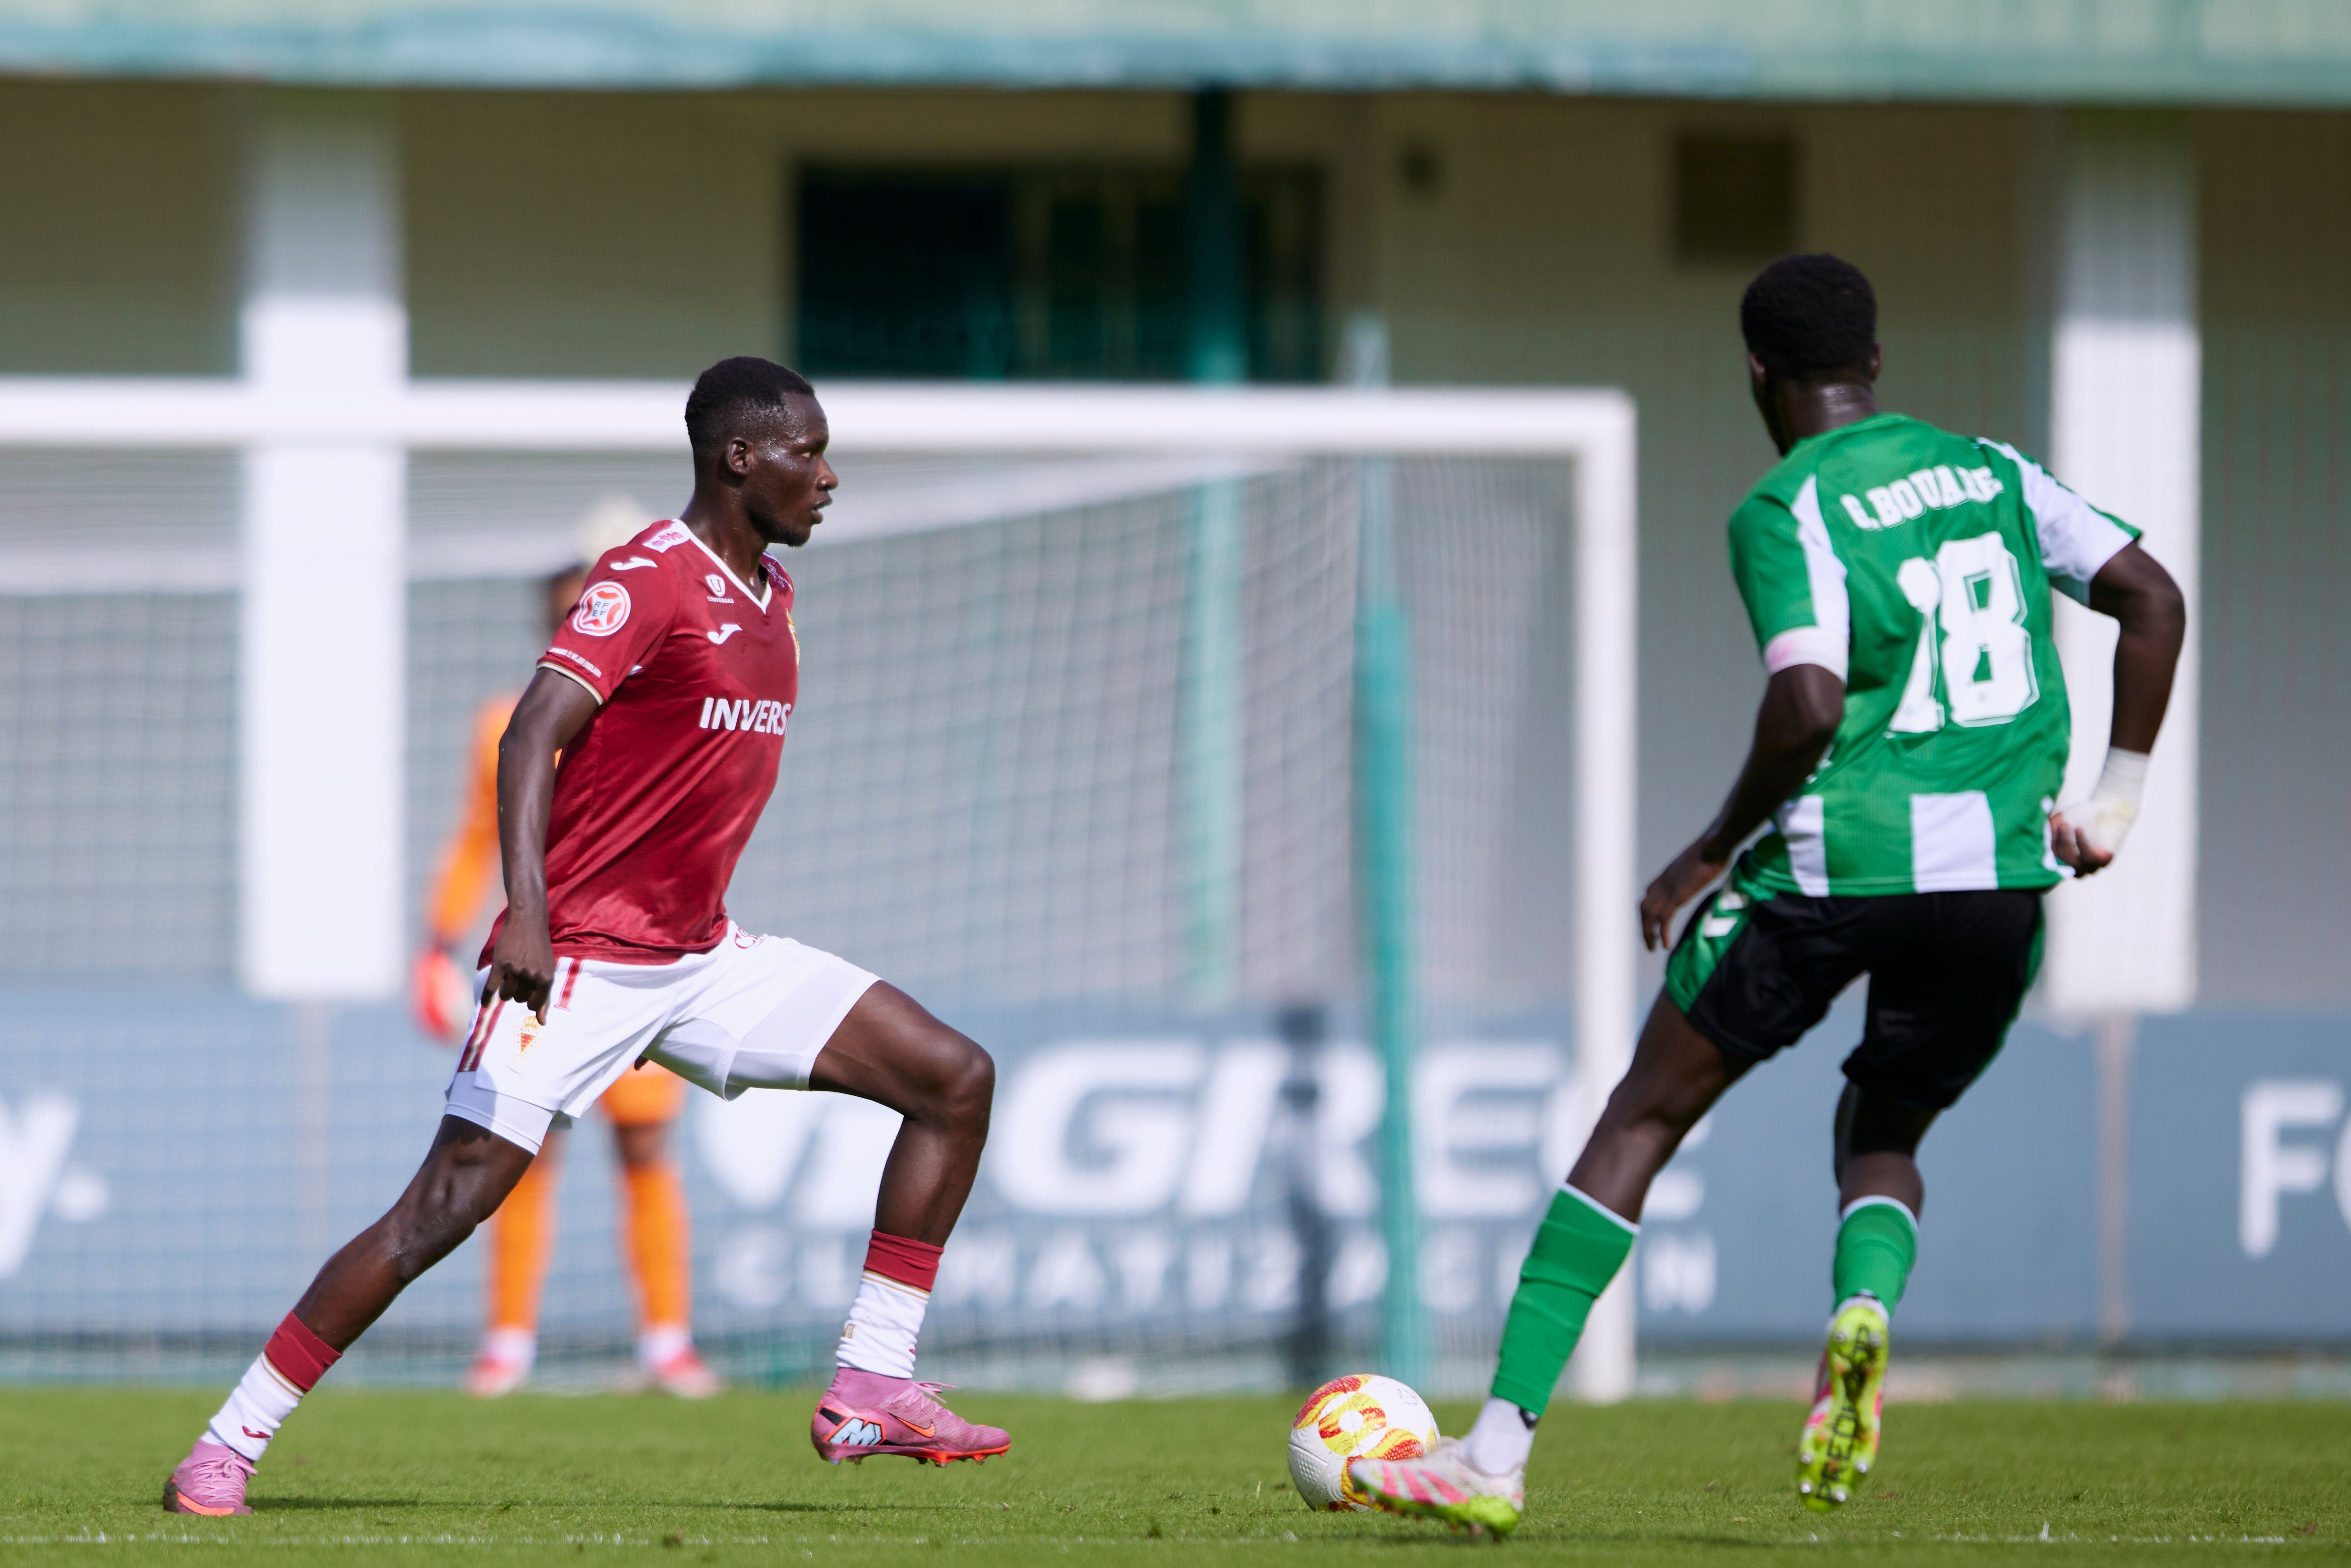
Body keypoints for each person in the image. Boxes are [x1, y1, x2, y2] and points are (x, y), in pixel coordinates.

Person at [1348, 254, 2186, 1536]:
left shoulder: (1786, 506)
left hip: (1838, 866)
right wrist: (2114, 802)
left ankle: (1493, 1456)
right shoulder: (1994, 473)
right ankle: (1861, 1309)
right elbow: (2152, 598)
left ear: (1757, 374)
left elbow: (1805, 707)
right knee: (1884, 1131)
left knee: (1639, 1120)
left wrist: (1704, 854)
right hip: (1999, 880)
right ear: (1876, 362)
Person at [164, 357, 1008, 1516]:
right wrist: (527, 911)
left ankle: (870, 1383)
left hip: (703, 959)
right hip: (578, 963)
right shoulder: (646, 578)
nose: (827, 477)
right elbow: (530, 736)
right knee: (440, 1210)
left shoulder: (772, 593)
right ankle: (228, 1442)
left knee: (954, 1078)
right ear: (739, 458)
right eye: (807, 453)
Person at [410, 550, 718, 1399]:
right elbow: (478, 838)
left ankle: (668, 1343)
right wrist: (437, 942)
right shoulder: (508, 726)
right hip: (542, 963)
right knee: (521, 1145)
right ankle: (508, 1342)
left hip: (642, 960)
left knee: (645, 1146)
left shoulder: (662, 716)